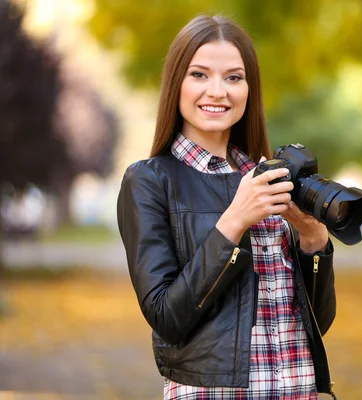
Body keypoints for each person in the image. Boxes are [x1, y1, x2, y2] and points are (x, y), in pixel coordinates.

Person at [116, 15, 337, 400]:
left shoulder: (269, 178)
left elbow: (318, 320)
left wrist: (314, 237)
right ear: (176, 84)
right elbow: (167, 317)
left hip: (297, 389)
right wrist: (234, 221)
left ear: (249, 88)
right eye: (199, 75)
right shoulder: (150, 181)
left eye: (234, 77)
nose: (217, 91)